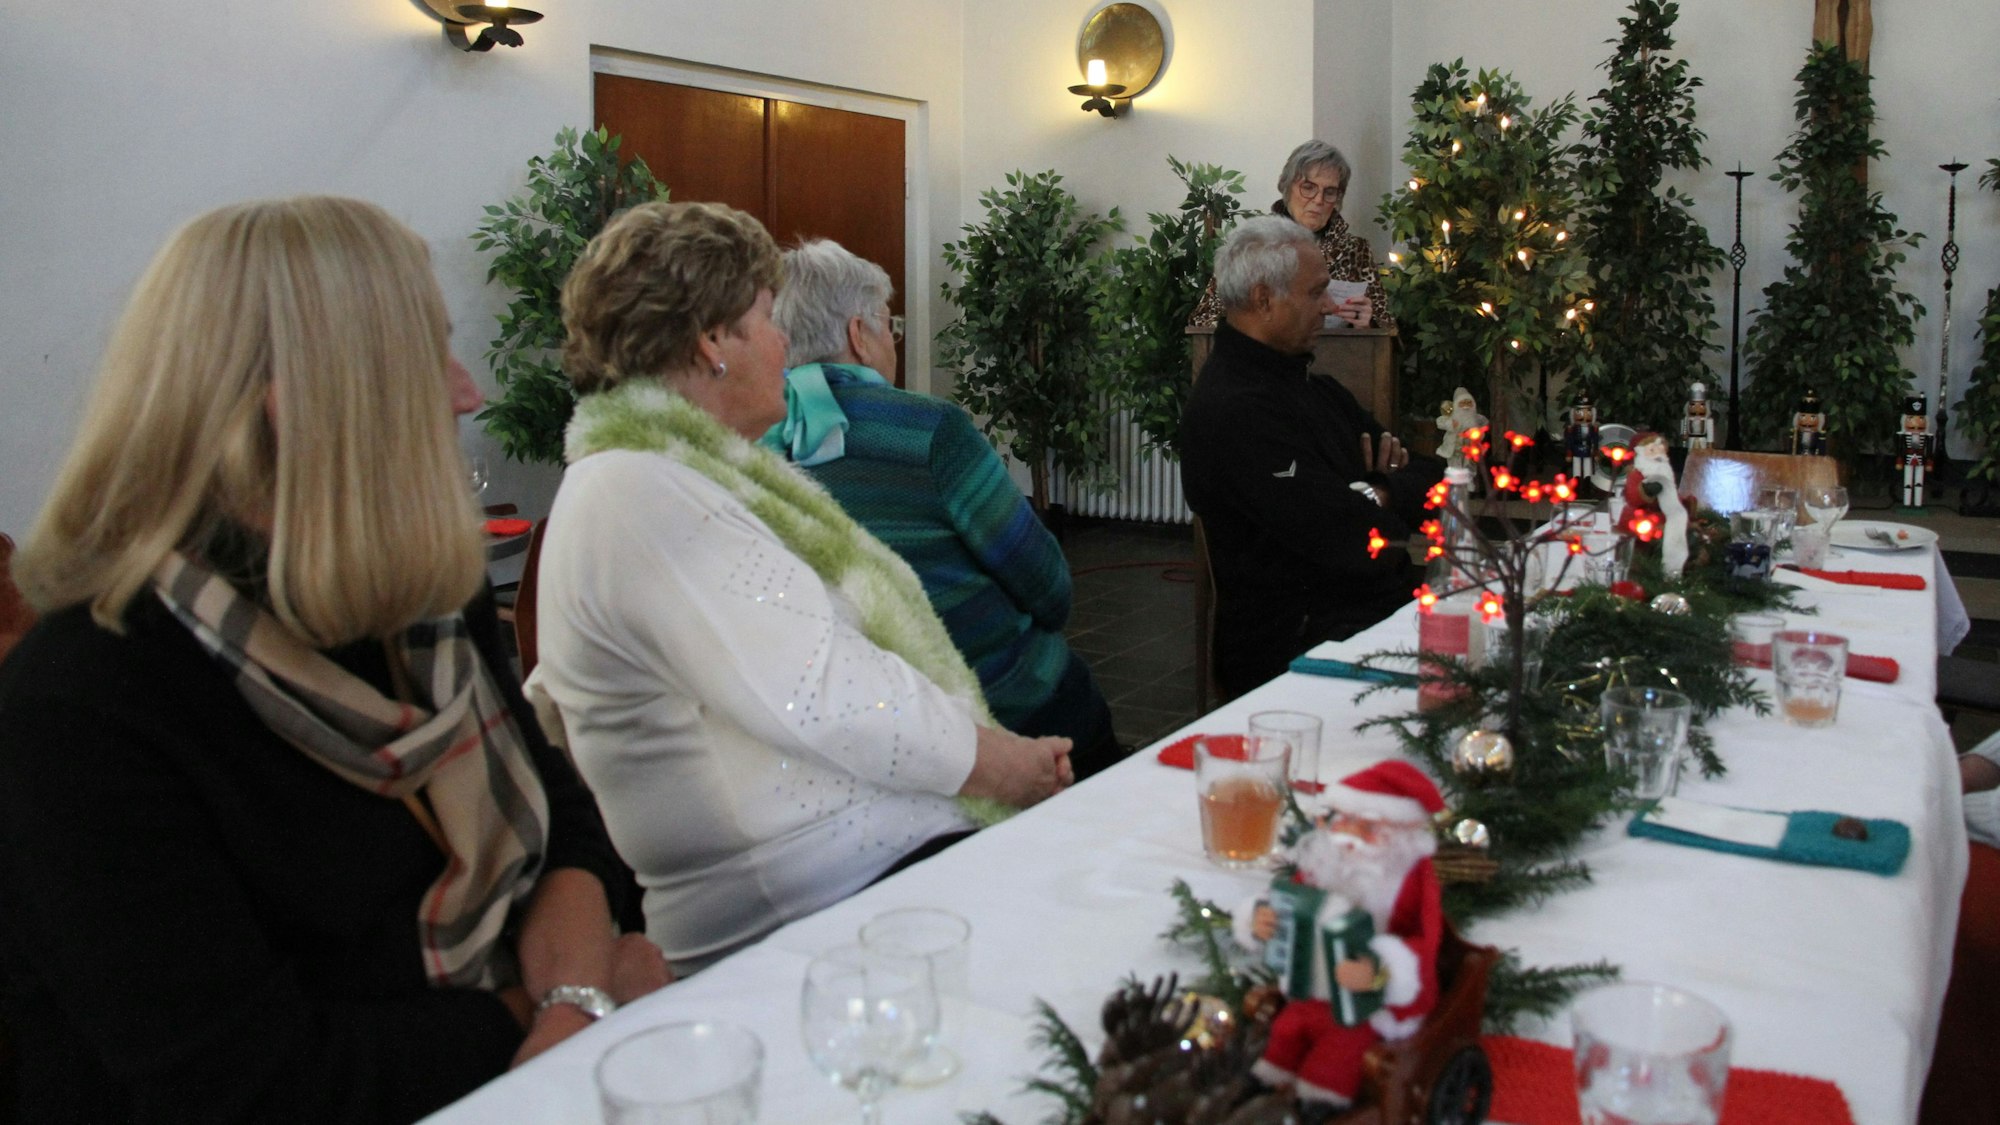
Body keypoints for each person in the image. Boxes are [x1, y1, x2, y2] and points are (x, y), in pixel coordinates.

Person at [0, 197, 664, 1124]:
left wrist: (572, 994)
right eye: (430, 352)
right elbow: (254, 1088)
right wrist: (561, 1004)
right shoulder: (86, 708)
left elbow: (570, 826)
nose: (467, 390)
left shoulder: (422, 602)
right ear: (304, 406)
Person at [531, 202, 1073, 975]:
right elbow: (826, 690)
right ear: (711, 341)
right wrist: (999, 763)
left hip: (853, 862)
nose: (786, 342)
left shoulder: (670, 475)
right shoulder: (637, 490)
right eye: (765, 316)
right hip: (804, 896)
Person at [765, 239, 1123, 778]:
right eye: (890, 326)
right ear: (859, 337)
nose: (895, 341)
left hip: (846, 724)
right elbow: (1047, 584)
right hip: (985, 705)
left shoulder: (752, 443)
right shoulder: (928, 429)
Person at [1180, 216, 1440, 700]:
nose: (1330, 306)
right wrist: (1382, 489)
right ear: (1264, 300)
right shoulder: (1232, 413)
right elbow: (1344, 537)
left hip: (1366, 628)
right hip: (1294, 662)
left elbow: (1433, 479)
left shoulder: (1317, 390)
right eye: (1316, 292)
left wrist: (1374, 489)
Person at [1232, 761, 1445, 1108]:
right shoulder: (1324, 862)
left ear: (1403, 832)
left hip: (1368, 1005)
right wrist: (1261, 920)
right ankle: (1263, 1084)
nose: (1349, 835)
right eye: (1343, 820)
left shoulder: (1410, 879)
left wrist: (1380, 972)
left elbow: (1425, 942)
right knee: (1287, 1028)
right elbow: (1291, 902)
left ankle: (1318, 1103)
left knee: (1341, 1045)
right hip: (1313, 987)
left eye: (1369, 827)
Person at [1190, 140, 1393, 331]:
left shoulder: (1356, 251)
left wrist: (1368, 324)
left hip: (1337, 362)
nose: (1318, 199)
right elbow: (1204, 320)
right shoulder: (1251, 246)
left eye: (1329, 192)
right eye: (1308, 187)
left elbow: (1388, 331)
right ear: (1286, 187)